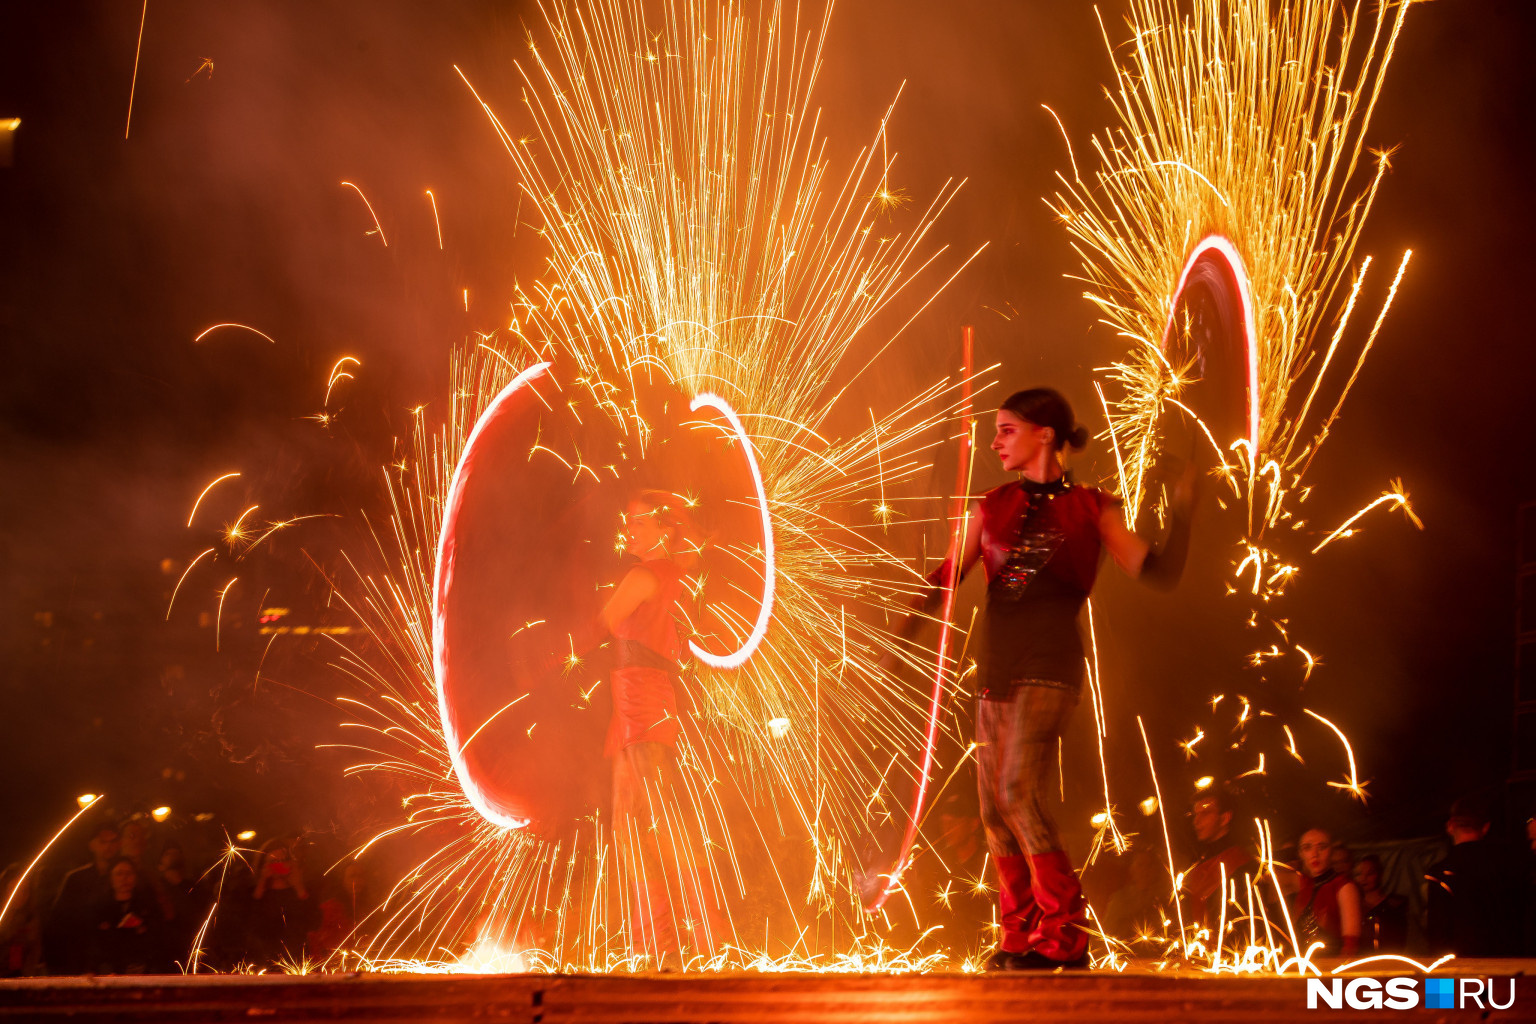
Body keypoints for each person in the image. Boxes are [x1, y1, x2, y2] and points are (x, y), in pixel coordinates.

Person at [890, 388, 1194, 969]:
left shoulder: (1091, 507)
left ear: (1045, 435)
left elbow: (1158, 573)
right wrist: (901, 629)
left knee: (1017, 792)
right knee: (991, 810)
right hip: (998, 667)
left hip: (1050, 666)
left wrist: (1181, 514)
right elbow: (949, 575)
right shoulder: (993, 504)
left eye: (1007, 430)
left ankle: (1065, 939)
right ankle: (1019, 937)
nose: (995, 440)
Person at [598, 489, 717, 968]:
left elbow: (605, 619)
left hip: (640, 702)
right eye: (627, 520)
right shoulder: (676, 575)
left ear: (665, 529)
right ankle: (674, 942)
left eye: (640, 522)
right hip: (642, 700)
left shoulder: (646, 574)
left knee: (647, 828)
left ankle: (676, 944)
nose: (628, 529)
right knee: (644, 828)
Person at [1426, 797, 1522, 956]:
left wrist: (1438, 979)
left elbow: (1437, 934)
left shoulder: (1440, 873)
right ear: (1485, 827)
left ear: (1450, 826)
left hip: (1458, 968)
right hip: (1505, 966)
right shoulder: (1509, 868)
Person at [43, 820, 120, 974]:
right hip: (79, 959)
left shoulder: (124, 876)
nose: (108, 846)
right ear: (92, 845)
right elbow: (58, 920)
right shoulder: (76, 879)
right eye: (103, 842)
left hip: (113, 960)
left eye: (112, 841)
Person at [1184, 788, 1254, 932]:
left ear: (1225, 818)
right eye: (1195, 815)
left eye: (1205, 813)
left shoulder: (1241, 862)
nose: (1196, 821)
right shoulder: (1196, 861)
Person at [1291, 827, 1361, 956]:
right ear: (1300, 853)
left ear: (1332, 851)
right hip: (1301, 967)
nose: (1314, 854)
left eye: (1322, 847)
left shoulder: (1344, 886)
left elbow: (1351, 945)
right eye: (1307, 848)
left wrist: (1337, 973)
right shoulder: (1303, 885)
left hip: (1330, 968)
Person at [247, 838, 317, 965]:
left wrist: (298, 885)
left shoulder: (301, 890)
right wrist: (262, 883)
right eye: (273, 861)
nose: (278, 865)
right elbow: (251, 924)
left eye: (283, 860)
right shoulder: (256, 893)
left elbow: (314, 922)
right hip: (265, 960)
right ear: (263, 864)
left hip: (298, 960)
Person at [89, 857, 164, 974]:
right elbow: (93, 943)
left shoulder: (147, 906)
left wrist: (146, 965)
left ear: (135, 877)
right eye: (119, 874)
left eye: (129, 873)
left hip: (142, 971)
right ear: (111, 878)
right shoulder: (100, 908)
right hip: (108, 973)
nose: (124, 878)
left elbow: (157, 940)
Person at [1353, 855, 1407, 952]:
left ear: (1380, 874)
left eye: (1370, 873)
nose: (1364, 878)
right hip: (1360, 961)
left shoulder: (1395, 905)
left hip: (1390, 960)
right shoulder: (1353, 906)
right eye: (1359, 874)